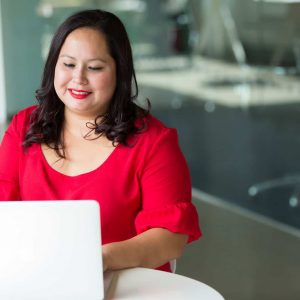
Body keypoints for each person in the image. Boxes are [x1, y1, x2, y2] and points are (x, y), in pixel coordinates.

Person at [0, 9, 201, 272]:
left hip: (125, 283)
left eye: (94, 67)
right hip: (38, 278)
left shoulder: (154, 143)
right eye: (68, 64)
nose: (78, 78)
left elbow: (170, 238)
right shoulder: (24, 126)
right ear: (53, 66)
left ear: (120, 71)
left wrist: (101, 260)